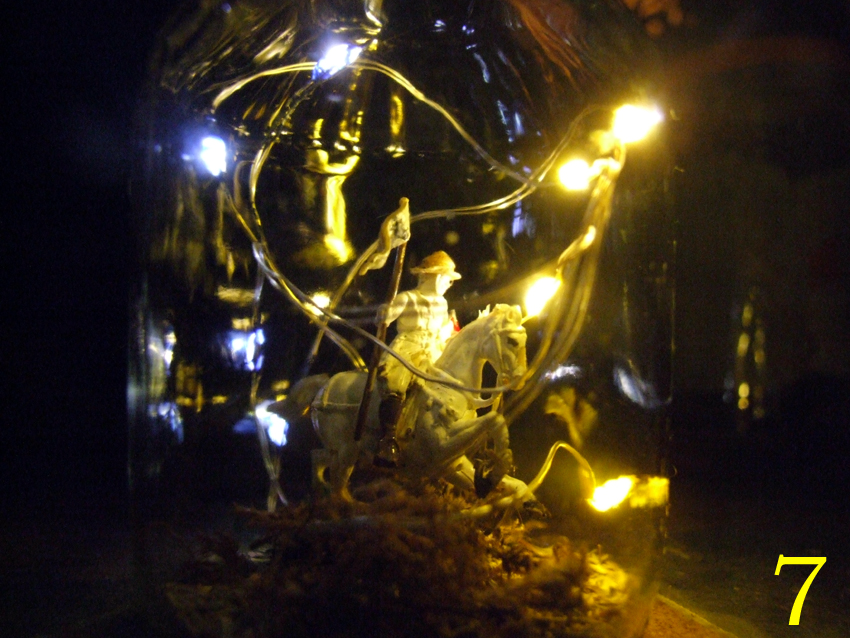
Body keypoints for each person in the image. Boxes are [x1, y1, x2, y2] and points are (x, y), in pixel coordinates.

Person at [374, 251, 461, 466]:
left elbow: (441, 329)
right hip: (409, 348)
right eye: (447, 278)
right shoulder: (407, 298)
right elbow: (385, 319)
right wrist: (384, 313)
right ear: (432, 276)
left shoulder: (442, 304)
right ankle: (388, 440)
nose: (449, 283)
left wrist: (450, 333)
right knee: (397, 383)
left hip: (434, 349)